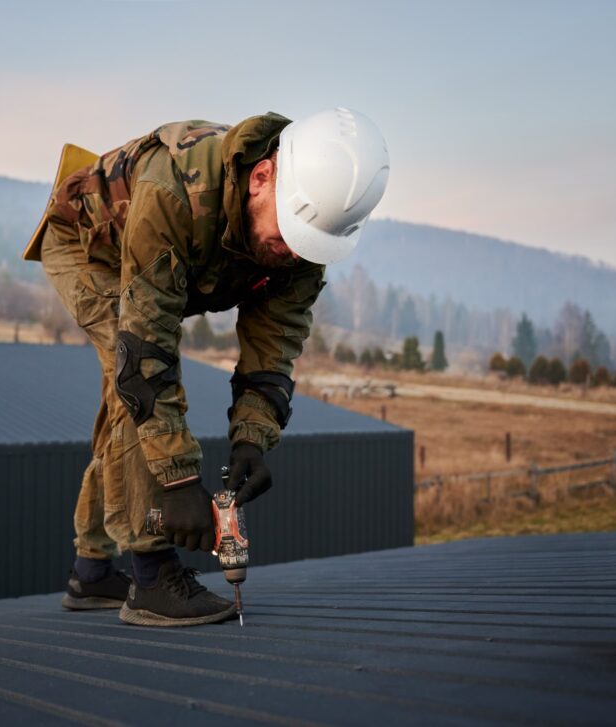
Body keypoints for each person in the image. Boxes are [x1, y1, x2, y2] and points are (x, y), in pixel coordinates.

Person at [23, 108, 389, 627]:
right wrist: (177, 482)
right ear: (262, 177)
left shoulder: (304, 238)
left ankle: (91, 570)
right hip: (88, 246)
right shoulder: (174, 192)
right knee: (135, 385)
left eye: (306, 247)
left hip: (171, 265)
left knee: (126, 393)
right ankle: (150, 575)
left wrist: (252, 440)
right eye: (286, 236)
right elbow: (144, 356)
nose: (289, 255)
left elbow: (273, 350)